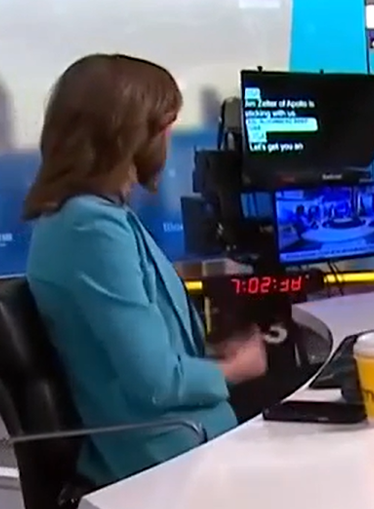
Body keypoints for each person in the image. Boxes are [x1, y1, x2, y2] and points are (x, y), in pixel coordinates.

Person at [23, 53, 266, 486]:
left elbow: (136, 353)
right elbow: (155, 384)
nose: (171, 135)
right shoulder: (91, 228)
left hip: (186, 438)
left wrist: (210, 355)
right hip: (168, 455)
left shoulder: (94, 218)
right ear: (131, 135)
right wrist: (237, 368)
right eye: (166, 123)